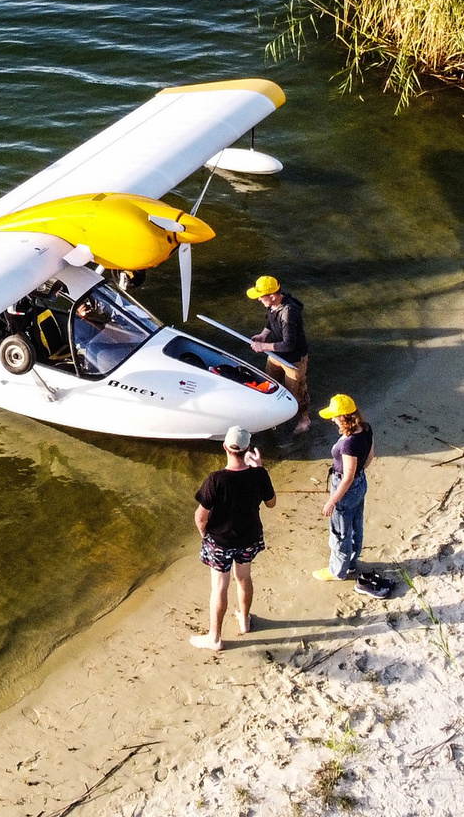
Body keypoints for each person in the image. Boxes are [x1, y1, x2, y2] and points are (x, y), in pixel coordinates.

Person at [190, 426, 275, 650]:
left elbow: (200, 517)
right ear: (248, 450)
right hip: (248, 537)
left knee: (219, 586)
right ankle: (244, 620)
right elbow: (271, 502)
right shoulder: (259, 474)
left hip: (220, 541)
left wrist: (206, 537)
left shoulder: (215, 480)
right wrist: (259, 467)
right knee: (244, 577)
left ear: (225, 447)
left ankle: (215, 638)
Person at [313, 393, 372, 581]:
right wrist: (359, 474)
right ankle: (352, 564)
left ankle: (336, 571)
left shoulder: (348, 444)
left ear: (343, 417)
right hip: (361, 483)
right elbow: (370, 456)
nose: (332, 419)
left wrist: (332, 501)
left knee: (340, 531)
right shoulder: (366, 428)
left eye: (335, 416)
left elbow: (347, 477)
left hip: (346, 487)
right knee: (356, 525)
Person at [243, 275, 311, 434]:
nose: (259, 299)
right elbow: (270, 320)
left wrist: (263, 346)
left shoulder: (289, 312)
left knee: (296, 391)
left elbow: (289, 344)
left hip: (294, 360)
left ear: (272, 295)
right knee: (270, 382)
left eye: (261, 296)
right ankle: (273, 414)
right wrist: (263, 334)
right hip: (276, 354)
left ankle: (305, 419)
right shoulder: (272, 304)